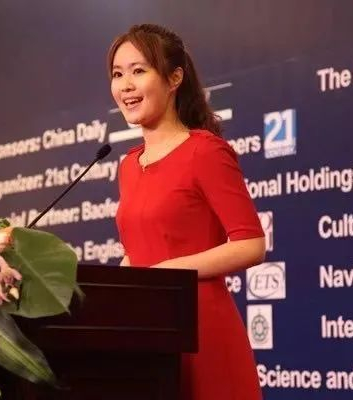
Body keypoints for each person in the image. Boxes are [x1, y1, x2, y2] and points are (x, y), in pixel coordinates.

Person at [109, 24, 265, 400]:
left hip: (200, 328)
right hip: (147, 331)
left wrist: (168, 273)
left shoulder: (205, 151)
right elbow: (138, 250)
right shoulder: (128, 165)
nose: (125, 85)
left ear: (174, 78)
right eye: (117, 74)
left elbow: (251, 244)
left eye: (138, 71)